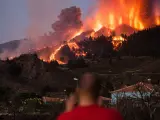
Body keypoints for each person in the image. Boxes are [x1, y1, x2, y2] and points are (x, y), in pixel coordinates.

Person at [57, 73, 123, 120]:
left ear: (77, 91)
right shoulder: (113, 116)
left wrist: (67, 113)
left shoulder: (65, 118)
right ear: (99, 91)